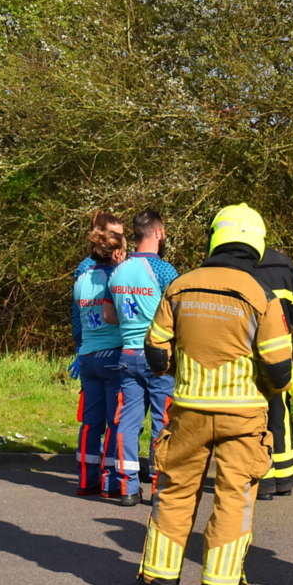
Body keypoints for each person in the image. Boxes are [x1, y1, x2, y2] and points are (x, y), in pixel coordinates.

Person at [124, 204, 293, 585]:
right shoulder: (262, 295)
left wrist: (179, 371)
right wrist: (267, 389)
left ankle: (157, 583)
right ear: (256, 243)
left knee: (174, 493)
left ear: (215, 238)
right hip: (243, 417)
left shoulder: (180, 286)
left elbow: (156, 351)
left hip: (189, 412)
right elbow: (278, 368)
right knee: (234, 499)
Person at [107, 210, 178, 505]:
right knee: (163, 421)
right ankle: (159, 485)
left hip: (127, 353)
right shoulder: (164, 271)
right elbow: (178, 314)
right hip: (158, 354)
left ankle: (128, 487)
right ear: (158, 232)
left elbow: (109, 315)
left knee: (127, 420)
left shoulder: (117, 271)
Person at [251, 246, 293, 500]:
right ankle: (284, 479)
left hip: (247, 354)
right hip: (281, 351)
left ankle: (264, 481)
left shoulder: (230, 264)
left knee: (255, 416)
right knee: (280, 414)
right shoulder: (283, 264)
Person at [72, 227, 127, 496]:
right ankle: (110, 482)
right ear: (116, 253)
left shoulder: (81, 279)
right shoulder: (115, 278)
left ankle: (85, 479)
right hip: (112, 353)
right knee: (115, 421)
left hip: (87, 355)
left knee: (90, 422)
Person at [70, 211, 124, 379]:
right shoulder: (87, 269)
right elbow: (77, 311)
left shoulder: (114, 269)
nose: (119, 239)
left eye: (121, 235)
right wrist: (80, 344)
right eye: (114, 235)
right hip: (106, 347)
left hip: (91, 352)